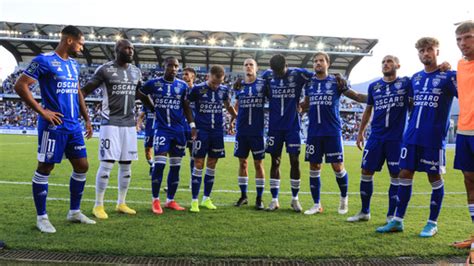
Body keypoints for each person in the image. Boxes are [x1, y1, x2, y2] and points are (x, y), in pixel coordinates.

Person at [14, 25, 96, 233]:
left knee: (82, 166)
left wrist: (86, 118)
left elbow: (77, 92)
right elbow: (20, 85)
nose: (82, 48)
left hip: (73, 126)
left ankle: (74, 212)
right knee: (45, 168)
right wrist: (43, 111)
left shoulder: (74, 66)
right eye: (80, 43)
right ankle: (42, 217)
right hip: (53, 126)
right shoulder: (44, 61)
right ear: (69, 40)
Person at [377, 37, 457, 237]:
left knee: (434, 177)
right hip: (411, 136)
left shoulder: (449, 76)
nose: (425, 53)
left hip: (433, 138)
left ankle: (432, 223)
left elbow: (466, 95)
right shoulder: (415, 78)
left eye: (429, 49)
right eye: (422, 50)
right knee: (404, 174)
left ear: (437, 51)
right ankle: (397, 220)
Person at [81, 39, 153, 219]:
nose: (130, 51)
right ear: (117, 50)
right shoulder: (105, 69)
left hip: (129, 124)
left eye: (132, 49)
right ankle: (98, 205)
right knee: (107, 164)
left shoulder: (136, 71)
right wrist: (86, 118)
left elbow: (137, 92)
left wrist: (151, 106)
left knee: (126, 165)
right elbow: (84, 92)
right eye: (126, 48)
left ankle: (121, 203)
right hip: (110, 123)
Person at [300, 52, 367, 215]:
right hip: (314, 132)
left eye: (321, 61)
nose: (317, 63)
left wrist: (377, 96)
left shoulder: (336, 82)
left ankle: (344, 198)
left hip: (332, 131)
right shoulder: (309, 84)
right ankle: (317, 204)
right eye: (315, 61)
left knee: (337, 167)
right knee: (314, 166)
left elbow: (357, 96)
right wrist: (298, 107)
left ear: (327, 64)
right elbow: (306, 104)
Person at [346, 55, 411, 222]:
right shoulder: (374, 86)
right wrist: (361, 132)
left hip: (396, 139)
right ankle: (364, 212)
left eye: (389, 61)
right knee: (366, 172)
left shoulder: (405, 83)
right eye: (383, 62)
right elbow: (368, 110)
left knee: (396, 175)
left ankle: (391, 215)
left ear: (398, 64)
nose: (386, 64)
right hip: (376, 137)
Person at [139, 57, 194, 214]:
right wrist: (151, 106)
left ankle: (170, 200)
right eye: (171, 66)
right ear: (165, 66)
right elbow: (140, 93)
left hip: (179, 131)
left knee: (176, 167)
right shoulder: (154, 83)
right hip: (162, 130)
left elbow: (186, 107)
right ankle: (155, 200)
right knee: (160, 165)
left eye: (176, 66)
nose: (174, 69)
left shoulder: (182, 86)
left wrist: (192, 125)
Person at [262, 54, 313, 212]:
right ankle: (274, 199)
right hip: (274, 127)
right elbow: (254, 85)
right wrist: (240, 83)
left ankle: (294, 199)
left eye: (280, 71)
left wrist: (306, 103)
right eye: (275, 72)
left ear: (286, 65)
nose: (278, 75)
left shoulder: (298, 74)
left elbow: (318, 79)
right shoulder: (267, 75)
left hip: (292, 126)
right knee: (274, 161)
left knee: (294, 161)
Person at [188, 65, 237, 212]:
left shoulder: (223, 90)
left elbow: (228, 105)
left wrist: (235, 116)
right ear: (208, 76)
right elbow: (186, 106)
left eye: (220, 82)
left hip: (217, 132)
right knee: (198, 162)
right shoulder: (197, 89)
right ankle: (194, 200)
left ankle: (206, 198)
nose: (217, 85)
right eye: (214, 82)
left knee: (212, 163)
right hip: (201, 131)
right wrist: (192, 125)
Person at [451, 21, 474, 257]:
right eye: (458, 39)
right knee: (469, 180)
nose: (462, 43)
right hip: (464, 131)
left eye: (468, 37)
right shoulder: (459, 64)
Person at [231, 59, 266, 210]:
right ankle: (243, 196)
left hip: (257, 131)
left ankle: (259, 198)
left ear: (256, 68)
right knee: (242, 163)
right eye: (245, 64)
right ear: (243, 68)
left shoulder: (263, 85)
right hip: (242, 131)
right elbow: (237, 106)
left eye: (251, 64)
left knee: (258, 164)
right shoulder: (240, 86)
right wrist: (233, 120)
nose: (248, 67)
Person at [182, 67, 197, 187]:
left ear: (193, 77)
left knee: (194, 156)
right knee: (176, 156)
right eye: (183, 74)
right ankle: (173, 182)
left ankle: (193, 180)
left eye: (186, 74)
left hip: (193, 129)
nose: (184, 76)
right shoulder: (180, 90)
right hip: (181, 127)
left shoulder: (197, 91)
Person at [136, 104, 155, 175]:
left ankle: (156, 168)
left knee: (160, 150)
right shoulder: (146, 104)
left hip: (160, 130)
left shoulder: (161, 103)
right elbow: (141, 116)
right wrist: (138, 126)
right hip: (149, 131)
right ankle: (152, 164)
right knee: (147, 150)